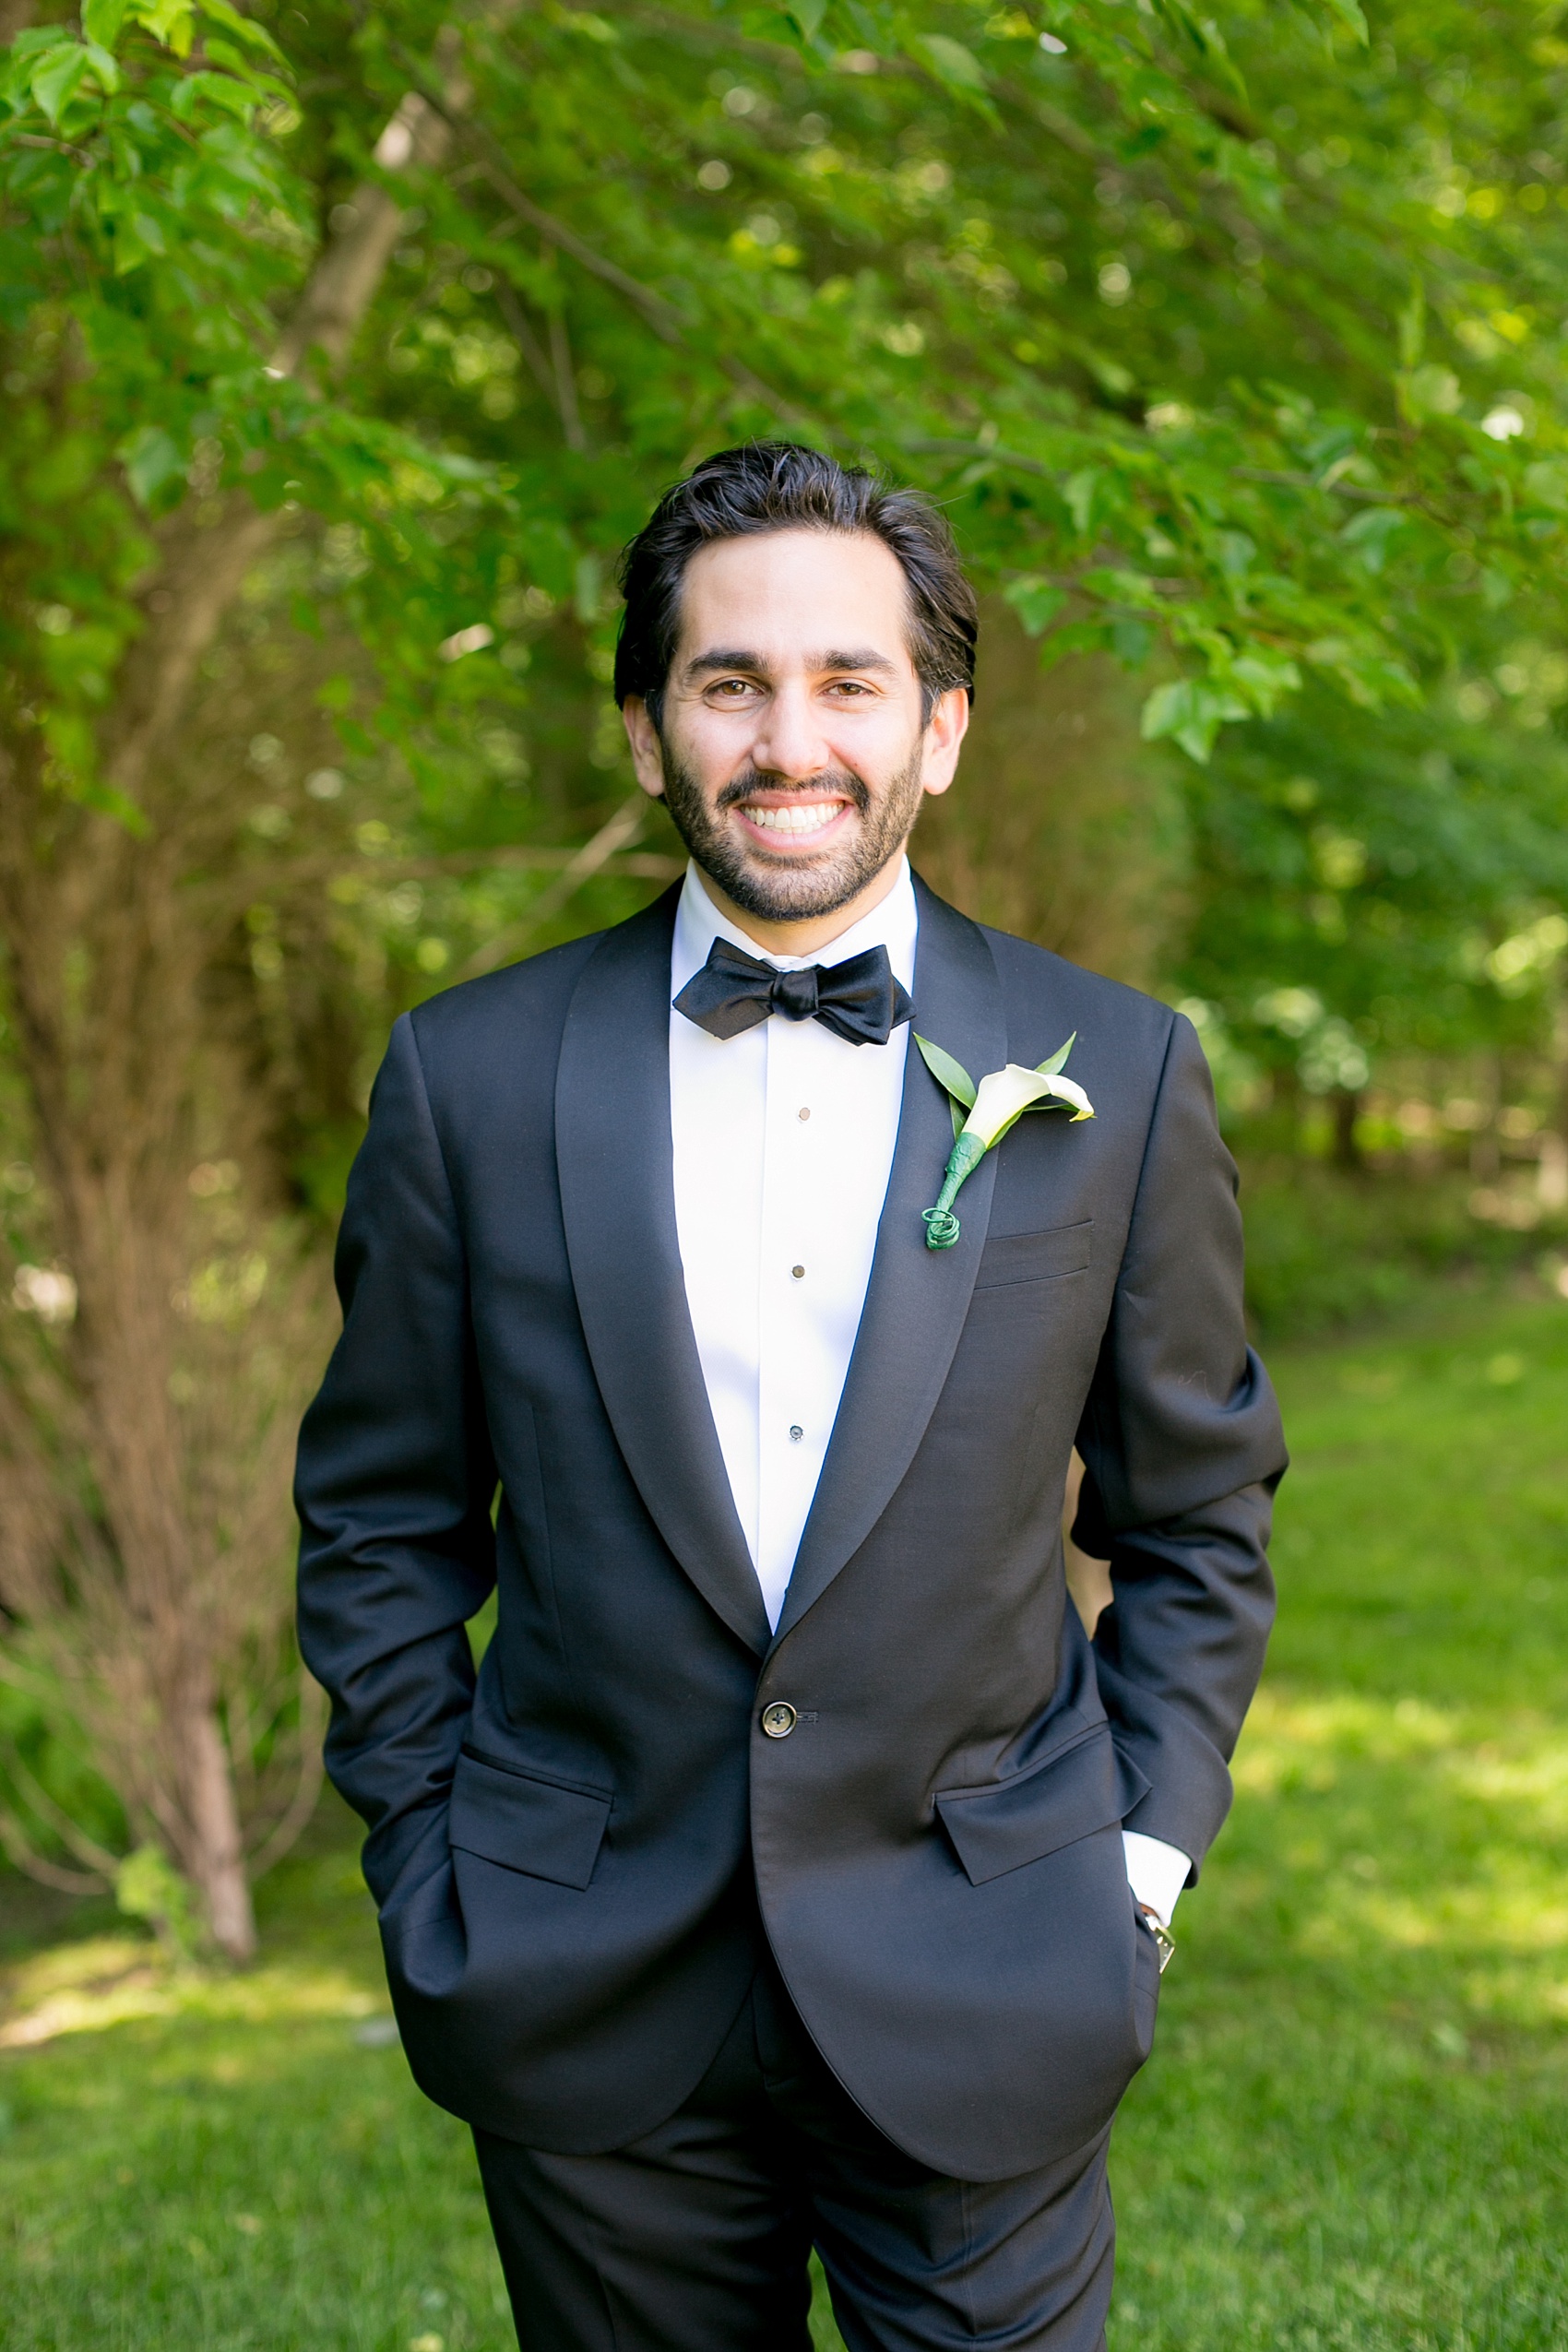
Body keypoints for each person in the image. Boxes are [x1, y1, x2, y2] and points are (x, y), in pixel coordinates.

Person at [295, 441, 1286, 2351]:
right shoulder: (467, 1080)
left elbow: (1194, 1511)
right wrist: (431, 1858)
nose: (788, 736)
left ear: (941, 732)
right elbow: (380, 1516)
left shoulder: (1121, 1076)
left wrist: (1137, 1867)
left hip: (990, 1944)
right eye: (727, 682)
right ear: (649, 732)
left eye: (848, 681)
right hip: (582, 1968)